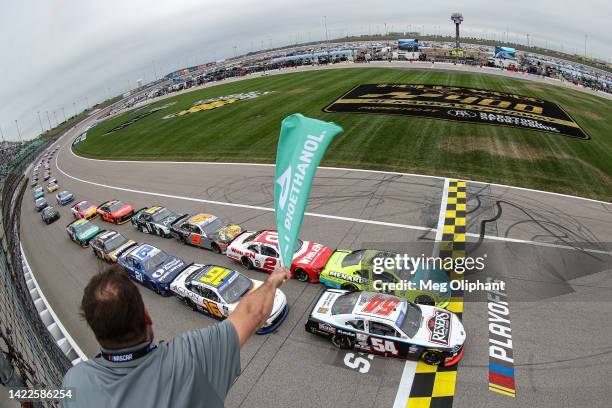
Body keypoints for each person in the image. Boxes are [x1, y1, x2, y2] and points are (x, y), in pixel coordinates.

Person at [62, 263, 291, 408]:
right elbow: (253, 313)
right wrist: (272, 281)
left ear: (96, 332)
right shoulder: (192, 357)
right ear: (147, 316)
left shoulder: (74, 384)